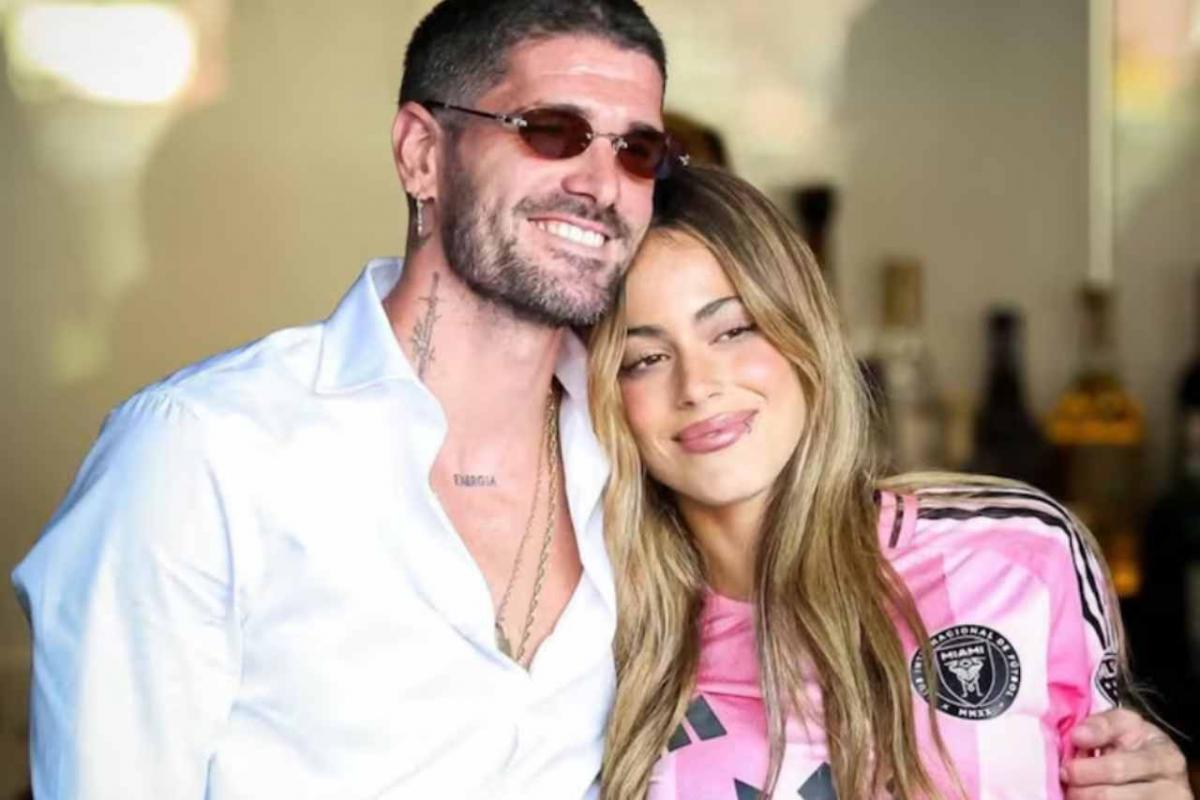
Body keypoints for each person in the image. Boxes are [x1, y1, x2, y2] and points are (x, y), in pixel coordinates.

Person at [9, 0, 1188, 797]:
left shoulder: (628, 475)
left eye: (636, 148)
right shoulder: (204, 454)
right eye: (551, 129)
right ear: (420, 154)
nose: (600, 180)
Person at [587, 165, 1193, 800]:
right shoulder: (600, 634)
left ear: (804, 334)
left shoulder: (1016, 553)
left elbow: (1120, 776)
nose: (697, 385)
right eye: (644, 359)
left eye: (734, 330)